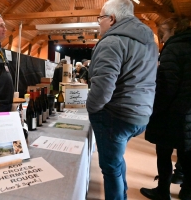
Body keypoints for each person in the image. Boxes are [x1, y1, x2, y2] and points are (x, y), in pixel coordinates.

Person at [86, 0, 158, 199]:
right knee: (117, 161)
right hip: (141, 114)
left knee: (110, 169)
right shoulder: (149, 40)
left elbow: (102, 88)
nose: (99, 23)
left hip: (116, 115)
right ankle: (123, 193)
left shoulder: (112, 41)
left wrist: (91, 109)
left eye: (100, 18)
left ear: (112, 18)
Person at [140, 16, 191, 200]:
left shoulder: (173, 49)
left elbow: (167, 87)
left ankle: (163, 191)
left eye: (161, 34)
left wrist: (154, 110)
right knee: (187, 154)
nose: (161, 40)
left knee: (164, 153)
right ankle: (187, 192)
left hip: (171, 113)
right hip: (188, 113)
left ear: (171, 31)